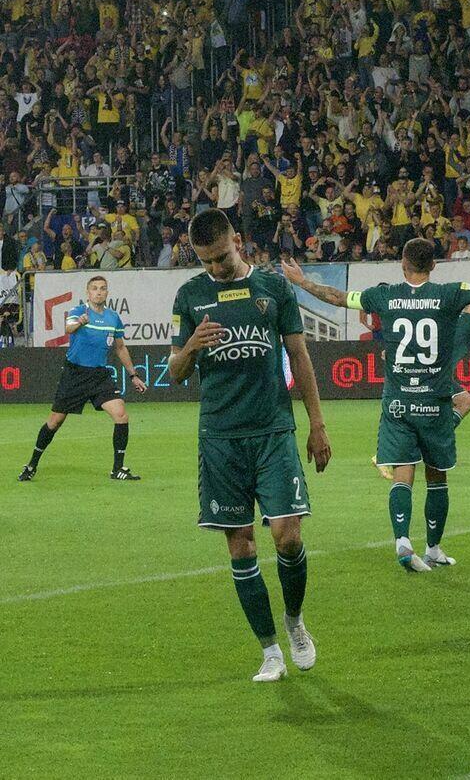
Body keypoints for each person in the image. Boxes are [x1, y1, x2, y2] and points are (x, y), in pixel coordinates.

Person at [281, 234, 470, 573]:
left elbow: (337, 297)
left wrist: (302, 282)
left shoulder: (383, 296)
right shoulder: (448, 295)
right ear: (433, 265)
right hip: (435, 401)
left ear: (403, 264)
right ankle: (432, 548)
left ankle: (403, 542)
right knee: (437, 477)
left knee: (403, 472)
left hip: (398, 402)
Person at [168, 209, 332, 683]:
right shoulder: (190, 296)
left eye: (221, 257)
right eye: (206, 261)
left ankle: (295, 621)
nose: (215, 268)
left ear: (237, 241)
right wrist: (191, 346)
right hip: (220, 438)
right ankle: (270, 652)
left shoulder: (273, 288)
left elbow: (299, 355)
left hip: (273, 432)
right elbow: (176, 372)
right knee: (240, 544)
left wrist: (316, 424)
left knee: (288, 536)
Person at [19, 276, 147, 482]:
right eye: (94, 288)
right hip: (75, 374)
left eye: (102, 288)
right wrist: (79, 322)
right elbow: (68, 328)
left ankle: (118, 469)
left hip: (99, 375)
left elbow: (120, 347)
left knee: (121, 414)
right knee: (55, 421)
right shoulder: (78, 311)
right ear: (88, 293)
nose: (99, 292)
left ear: (107, 292)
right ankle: (32, 464)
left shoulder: (113, 317)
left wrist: (133, 375)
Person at [373, 299, 470, 482]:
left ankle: (395, 452)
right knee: (464, 402)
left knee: (425, 414)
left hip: (422, 371)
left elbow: (420, 334)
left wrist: (395, 351)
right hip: (437, 376)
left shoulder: (449, 316)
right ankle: (395, 453)